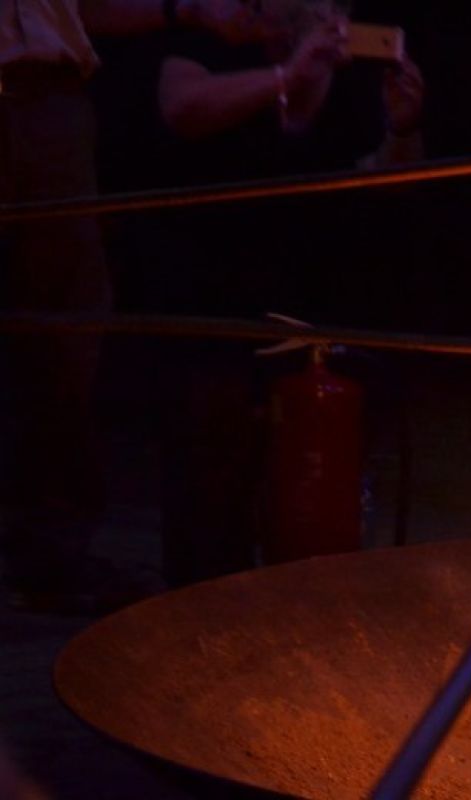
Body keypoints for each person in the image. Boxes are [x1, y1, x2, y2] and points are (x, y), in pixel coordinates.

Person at [136, 0, 423, 586]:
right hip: (210, 291)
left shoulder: (352, 78)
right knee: (210, 480)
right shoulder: (214, 43)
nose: (324, 14)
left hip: (309, 297)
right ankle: (200, 620)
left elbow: (379, 179)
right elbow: (182, 107)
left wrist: (403, 127)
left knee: (309, 475)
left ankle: (296, 615)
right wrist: (288, 76)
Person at [0, 0, 264, 612]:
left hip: (47, 97)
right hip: (42, 100)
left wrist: (185, 10)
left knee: (66, 329)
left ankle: (53, 549)